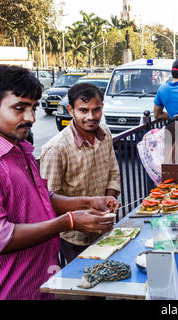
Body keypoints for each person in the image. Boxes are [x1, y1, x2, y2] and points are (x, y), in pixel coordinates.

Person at [0, 65, 118, 300]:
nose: (31, 118)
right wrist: (70, 222)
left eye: (33, 108)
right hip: (10, 290)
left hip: (41, 282)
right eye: (19, 109)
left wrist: (86, 202)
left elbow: (44, 198)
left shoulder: (19, 148)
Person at [39, 83, 121, 263]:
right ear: (70, 110)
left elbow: (113, 174)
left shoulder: (105, 133)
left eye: (96, 110)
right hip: (75, 237)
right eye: (83, 110)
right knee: (88, 284)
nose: (90, 117)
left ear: (102, 108)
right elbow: (48, 200)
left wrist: (110, 200)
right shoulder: (56, 148)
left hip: (106, 227)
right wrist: (85, 212)